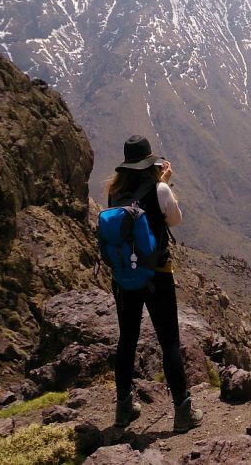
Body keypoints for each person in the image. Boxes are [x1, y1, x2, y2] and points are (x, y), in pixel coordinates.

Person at [104, 134, 203, 432]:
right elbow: (175, 220)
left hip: (123, 277)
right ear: (151, 163)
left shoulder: (114, 192)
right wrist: (166, 183)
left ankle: (123, 409)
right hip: (157, 273)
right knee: (169, 341)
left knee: (127, 340)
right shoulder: (159, 188)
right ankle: (183, 411)